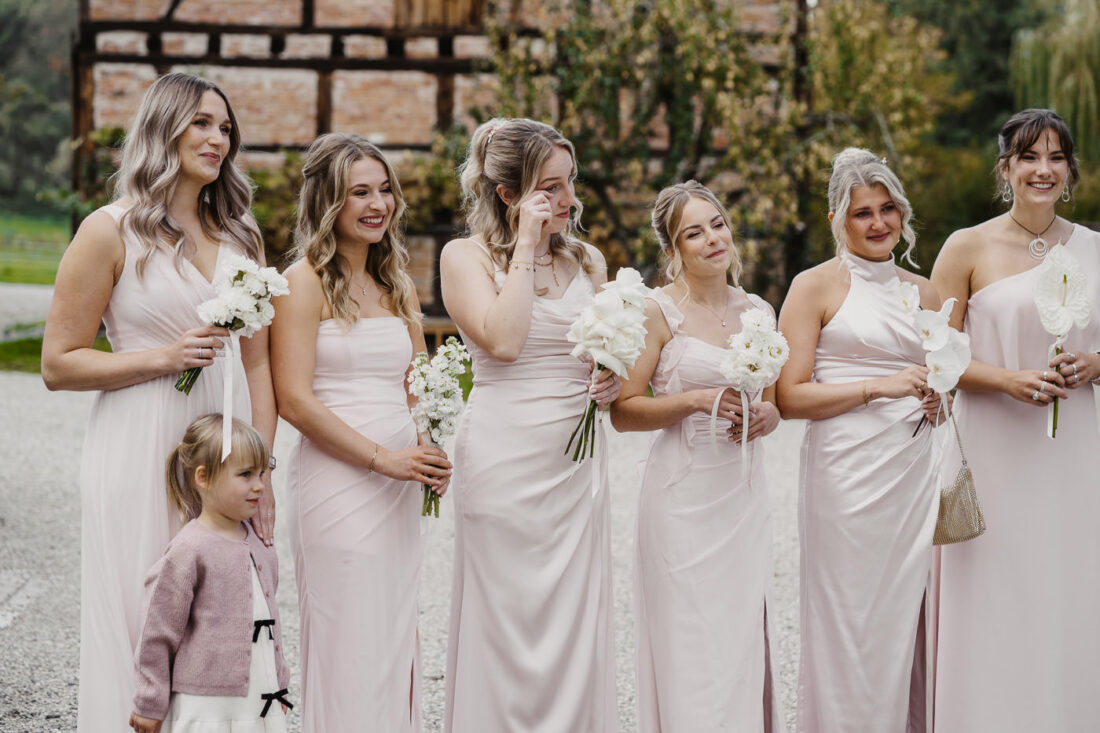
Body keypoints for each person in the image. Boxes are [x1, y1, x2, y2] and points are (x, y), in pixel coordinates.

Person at [40, 72, 277, 732]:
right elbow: (58, 363)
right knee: (146, 608)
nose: (218, 138)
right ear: (162, 127)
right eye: (202, 122)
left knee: (222, 612)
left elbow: (257, 362)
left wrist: (260, 472)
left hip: (223, 448)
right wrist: (163, 358)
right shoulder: (108, 231)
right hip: (140, 439)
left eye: (226, 127)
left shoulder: (241, 234)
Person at [439, 117, 619, 732]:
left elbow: (605, 351)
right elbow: (505, 342)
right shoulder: (463, 257)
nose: (569, 200)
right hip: (503, 457)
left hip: (573, 464)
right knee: (508, 615)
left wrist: (612, 376)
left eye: (571, 183)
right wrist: (523, 245)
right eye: (551, 188)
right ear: (509, 196)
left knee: (572, 617)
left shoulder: (587, 260)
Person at [270, 132, 450, 732]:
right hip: (339, 480)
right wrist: (383, 459)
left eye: (384, 190)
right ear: (329, 203)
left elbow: (415, 384)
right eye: (359, 193)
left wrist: (429, 448)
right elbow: (294, 399)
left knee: (393, 629)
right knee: (350, 630)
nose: (379, 204)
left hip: (398, 484)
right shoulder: (303, 282)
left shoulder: (397, 280)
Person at [930, 109, 1100, 731]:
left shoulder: (1094, 249)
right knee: (998, 590)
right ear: (1006, 168)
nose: (1044, 170)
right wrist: (1007, 379)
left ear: (1070, 170)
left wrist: (1092, 364)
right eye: (1030, 157)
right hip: (993, 449)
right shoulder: (966, 246)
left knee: (1067, 584)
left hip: (1071, 451)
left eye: (1056, 158)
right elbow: (934, 355)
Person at [776, 148, 946, 732]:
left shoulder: (925, 292)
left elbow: (945, 380)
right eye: (862, 214)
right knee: (850, 617)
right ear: (836, 222)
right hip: (845, 479)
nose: (878, 224)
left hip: (912, 472)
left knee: (908, 617)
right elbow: (789, 397)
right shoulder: (813, 287)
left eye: (887, 209)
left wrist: (935, 398)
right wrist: (880, 386)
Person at [610, 181, 783, 731]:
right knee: (689, 637)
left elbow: (774, 404)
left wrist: (767, 418)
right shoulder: (657, 312)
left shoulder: (759, 309)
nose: (712, 238)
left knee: (737, 636)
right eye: (694, 231)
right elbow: (624, 410)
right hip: (681, 496)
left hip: (742, 493)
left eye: (717, 224)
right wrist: (694, 401)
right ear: (672, 250)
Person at [129, 414, 290, 733]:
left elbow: (271, 622)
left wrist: (279, 680)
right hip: (206, 705)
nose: (259, 485)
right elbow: (158, 631)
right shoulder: (189, 549)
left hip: (258, 698)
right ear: (203, 478)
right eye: (245, 474)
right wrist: (150, 700)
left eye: (261, 473)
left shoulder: (258, 542)